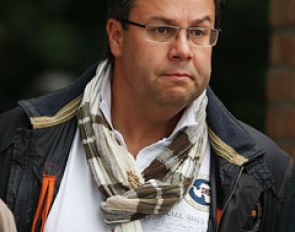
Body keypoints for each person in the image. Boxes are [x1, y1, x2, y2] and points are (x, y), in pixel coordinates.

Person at [0, 0, 294, 231]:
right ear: (116, 37)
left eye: (198, 32)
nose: (183, 50)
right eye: (162, 30)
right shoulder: (16, 140)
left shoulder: (262, 173)